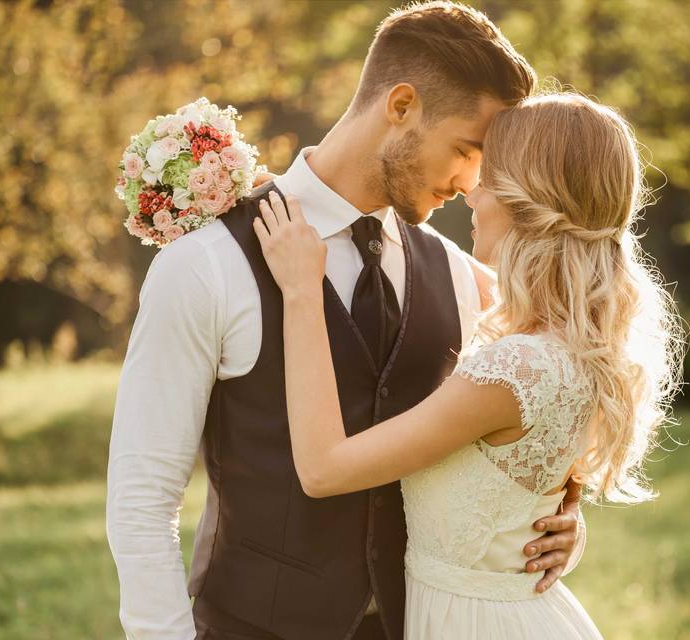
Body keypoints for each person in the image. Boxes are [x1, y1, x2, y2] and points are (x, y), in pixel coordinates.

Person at [106, 3, 587, 639]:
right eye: (466, 149)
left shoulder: (459, 276)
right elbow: (142, 502)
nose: (472, 183)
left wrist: (558, 527)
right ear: (402, 106)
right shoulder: (207, 264)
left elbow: (516, 428)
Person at [252, 92, 685, 639]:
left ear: (528, 201)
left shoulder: (513, 369)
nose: (470, 191)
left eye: (489, 176)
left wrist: (300, 290)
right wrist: (298, 191)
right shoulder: (571, 341)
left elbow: (323, 469)